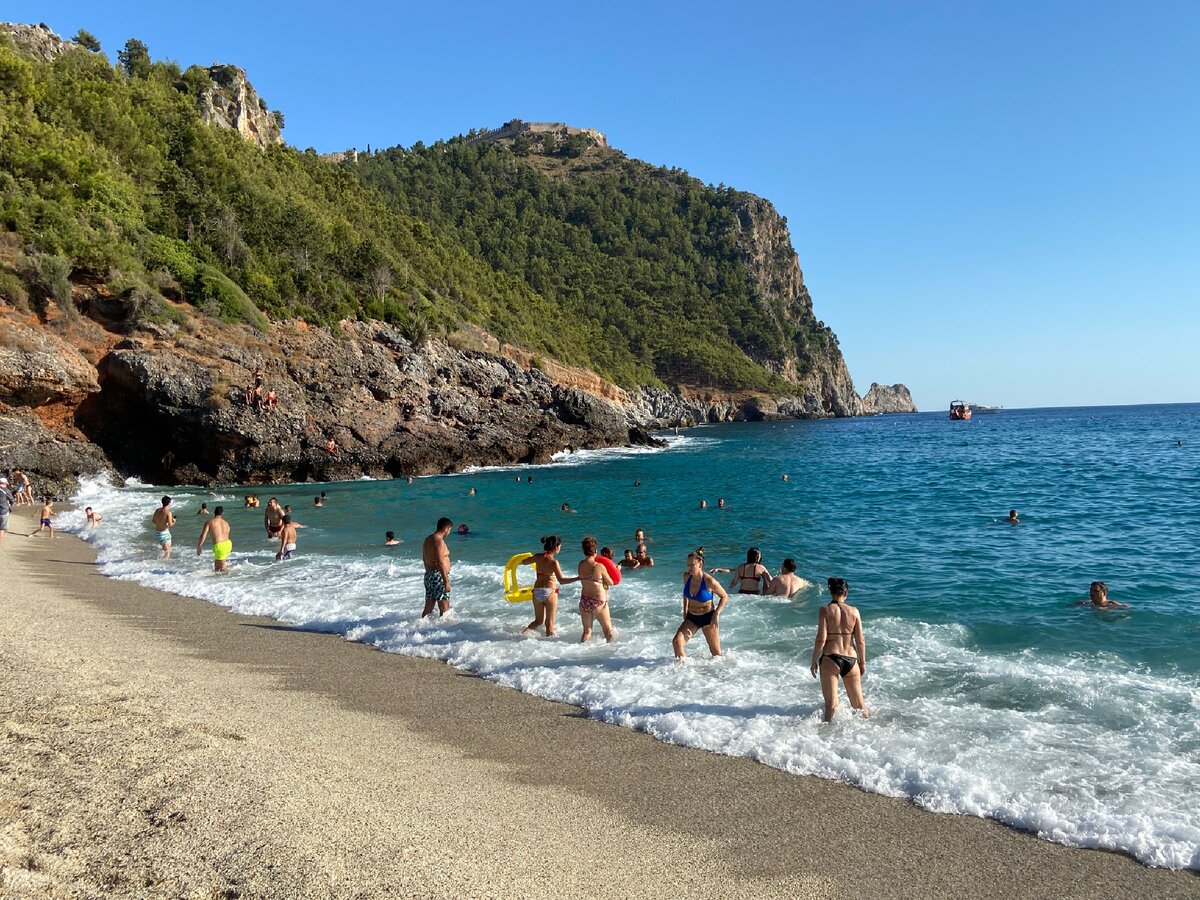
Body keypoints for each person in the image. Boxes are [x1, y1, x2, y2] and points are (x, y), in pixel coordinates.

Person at [809, 577, 867, 722]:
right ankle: (870, 732)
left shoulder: (825, 610)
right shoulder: (854, 611)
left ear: (830, 591)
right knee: (859, 706)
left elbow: (821, 639)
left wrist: (814, 660)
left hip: (830, 659)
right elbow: (860, 640)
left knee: (831, 706)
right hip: (851, 660)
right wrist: (862, 662)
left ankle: (826, 739)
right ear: (845, 592)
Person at [673, 552, 729, 658]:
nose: (689, 567)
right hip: (692, 618)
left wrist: (716, 614)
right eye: (688, 564)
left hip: (708, 618)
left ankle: (722, 672)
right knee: (677, 642)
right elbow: (686, 595)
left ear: (700, 564)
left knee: (716, 654)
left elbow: (724, 596)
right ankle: (683, 671)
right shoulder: (686, 577)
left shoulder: (709, 581)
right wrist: (685, 613)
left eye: (692, 564)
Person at [523, 535, 580, 637]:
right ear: (556, 547)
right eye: (560, 546)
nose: (560, 548)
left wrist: (531, 557)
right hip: (550, 592)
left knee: (538, 621)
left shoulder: (538, 557)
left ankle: (521, 635)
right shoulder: (554, 562)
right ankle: (551, 649)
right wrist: (578, 578)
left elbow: (524, 562)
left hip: (537, 592)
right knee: (549, 625)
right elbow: (562, 581)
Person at [577, 536, 615, 643]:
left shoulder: (580, 565)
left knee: (587, 632)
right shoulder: (599, 566)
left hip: (584, 601)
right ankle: (612, 656)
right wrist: (616, 569)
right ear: (596, 551)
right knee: (608, 631)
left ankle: (580, 651)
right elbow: (611, 582)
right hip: (598, 603)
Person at [421, 517, 454, 617]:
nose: (449, 532)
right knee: (444, 607)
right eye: (449, 530)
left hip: (429, 575)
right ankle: (445, 630)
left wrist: (430, 575)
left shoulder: (427, 539)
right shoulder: (439, 541)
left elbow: (425, 559)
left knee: (428, 608)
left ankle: (422, 628)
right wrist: (446, 581)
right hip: (439, 576)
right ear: (445, 529)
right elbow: (440, 562)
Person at [196, 506, 233, 573]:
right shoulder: (226, 523)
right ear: (222, 513)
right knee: (217, 567)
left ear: (214, 512)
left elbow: (203, 535)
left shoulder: (210, 522)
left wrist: (199, 546)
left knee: (222, 567)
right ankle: (218, 581)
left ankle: (232, 579)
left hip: (219, 546)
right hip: (228, 544)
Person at [0, 477, 12, 547]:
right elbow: (12, 500)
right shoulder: (6, 490)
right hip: (4, 511)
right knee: (1, 529)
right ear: (4, 483)